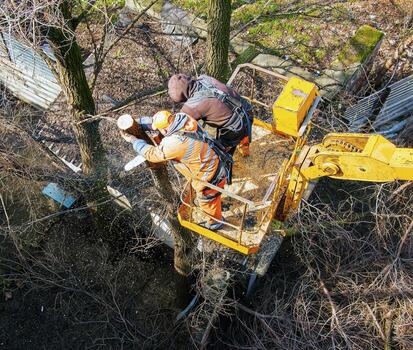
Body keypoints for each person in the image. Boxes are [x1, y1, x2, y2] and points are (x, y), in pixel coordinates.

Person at [120, 111, 233, 231]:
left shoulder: (174, 143)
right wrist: (137, 124)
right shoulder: (183, 118)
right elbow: (157, 123)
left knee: (206, 200)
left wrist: (134, 141)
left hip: (209, 176)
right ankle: (217, 202)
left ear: (164, 129)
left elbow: (152, 154)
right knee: (213, 195)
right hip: (215, 159)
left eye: (159, 129)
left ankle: (215, 223)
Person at [167, 73, 253, 156]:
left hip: (234, 128)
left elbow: (176, 124)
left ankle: (228, 163)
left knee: (222, 151)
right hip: (246, 109)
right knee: (244, 135)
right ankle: (245, 149)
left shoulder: (192, 106)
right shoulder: (204, 78)